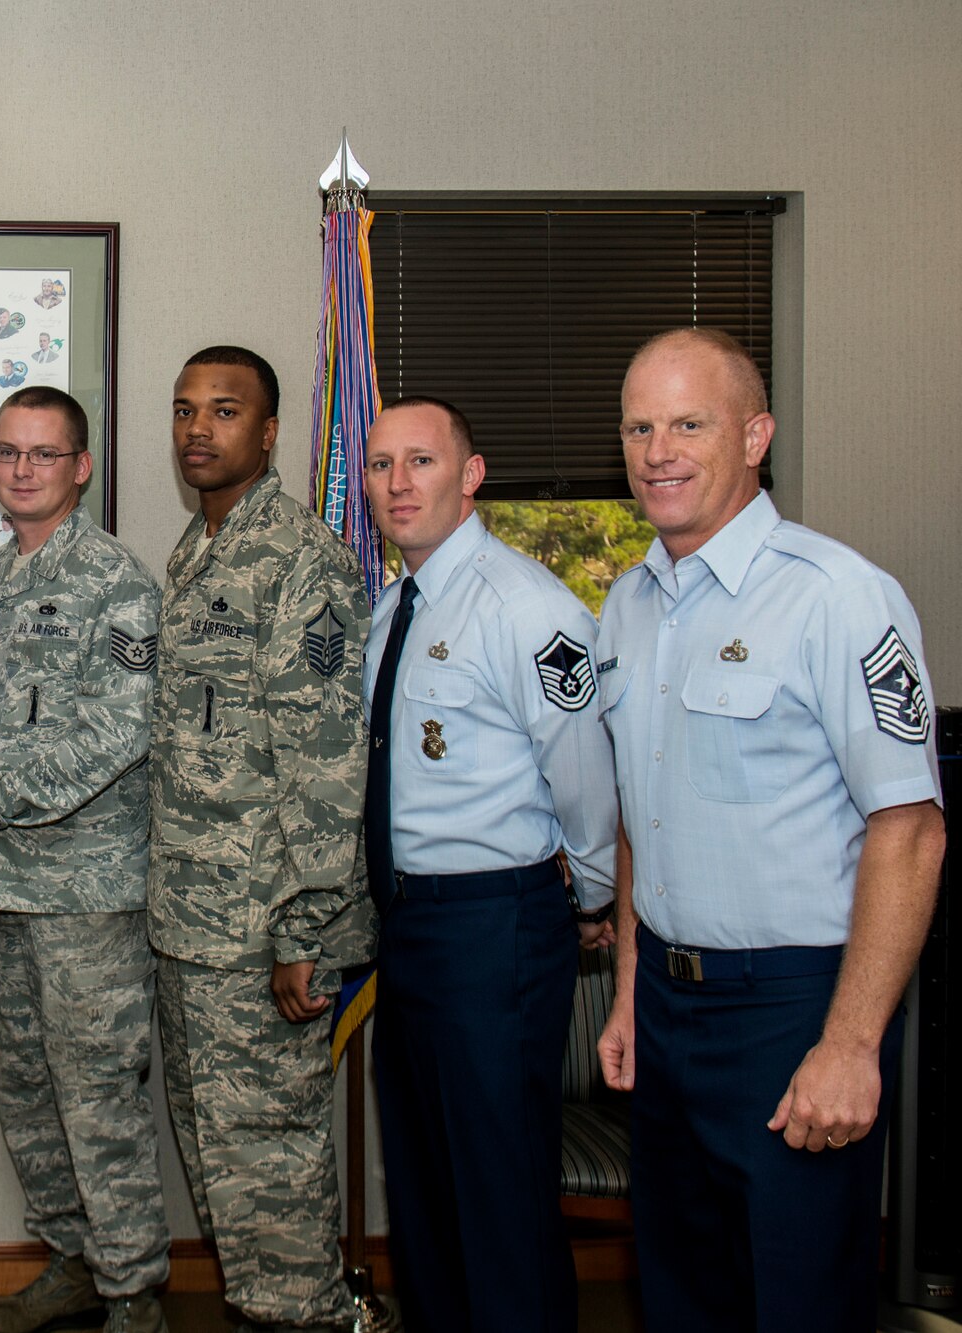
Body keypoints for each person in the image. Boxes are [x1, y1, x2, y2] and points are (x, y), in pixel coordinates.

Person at [597, 328, 944, 1332]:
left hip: (792, 1011)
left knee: (796, 1302)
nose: (657, 450)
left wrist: (849, 1041)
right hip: (666, 1006)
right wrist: (624, 986)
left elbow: (909, 829)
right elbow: (636, 811)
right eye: (637, 426)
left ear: (754, 434)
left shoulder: (835, 596)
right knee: (681, 1298)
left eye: (687, 424)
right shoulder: (626, 605)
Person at [359, 397, 618, 1333]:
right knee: (424, 1184)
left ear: (471, 474)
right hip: (412, 929)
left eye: (421, 461)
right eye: (382, 464)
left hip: (495, 928)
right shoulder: (395, 606)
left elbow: (587, 777)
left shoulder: (529, 608)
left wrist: (590, 896)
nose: (397, 483)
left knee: (500, 1189)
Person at [0, 388, 169, 1333]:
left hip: (89, 895)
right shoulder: (0, 575)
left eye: (43, 453)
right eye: (7, 452)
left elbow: (121, 728)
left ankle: (133, 1295)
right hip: (7, 886)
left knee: (99, 1102)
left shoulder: (118, 580)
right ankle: (73, 1263)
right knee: (29, 1095)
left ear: (81, 467)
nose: (22, 469)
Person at [149, 346, 372, 1331]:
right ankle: (268, 1310)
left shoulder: (299, 563)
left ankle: (307, 1317)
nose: (198, 428)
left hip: (262, 933)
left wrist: (304, 934)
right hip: (192, 924)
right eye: (184, 409)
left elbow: (323, 768)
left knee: (271, 1165)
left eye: (224, 410)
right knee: (219, 1156)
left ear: (268, 431)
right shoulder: (195, 550)